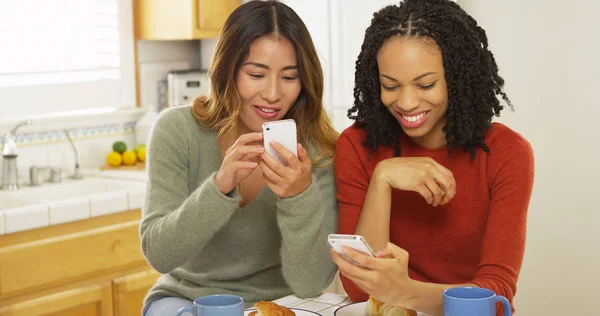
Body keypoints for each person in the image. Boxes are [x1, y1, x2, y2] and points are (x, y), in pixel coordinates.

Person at [331, 0, 534, 315]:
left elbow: (496, 295)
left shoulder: (506, 153)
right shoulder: (356, 146)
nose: (407, 102)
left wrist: (405, 292)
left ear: (456, 76)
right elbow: (360, 289)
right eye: (390, 86)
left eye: (425, 84)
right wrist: (382, 177)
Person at [140, 1, 339, 315]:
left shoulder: (318, 151)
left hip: (275, 306)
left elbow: (310, 284)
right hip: (185, 301)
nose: (273, 94)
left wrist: (299, 197)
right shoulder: (177, 130)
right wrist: (219, 187)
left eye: (289, 77)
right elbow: (159, 255)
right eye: (256, 74)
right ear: (227, 70)